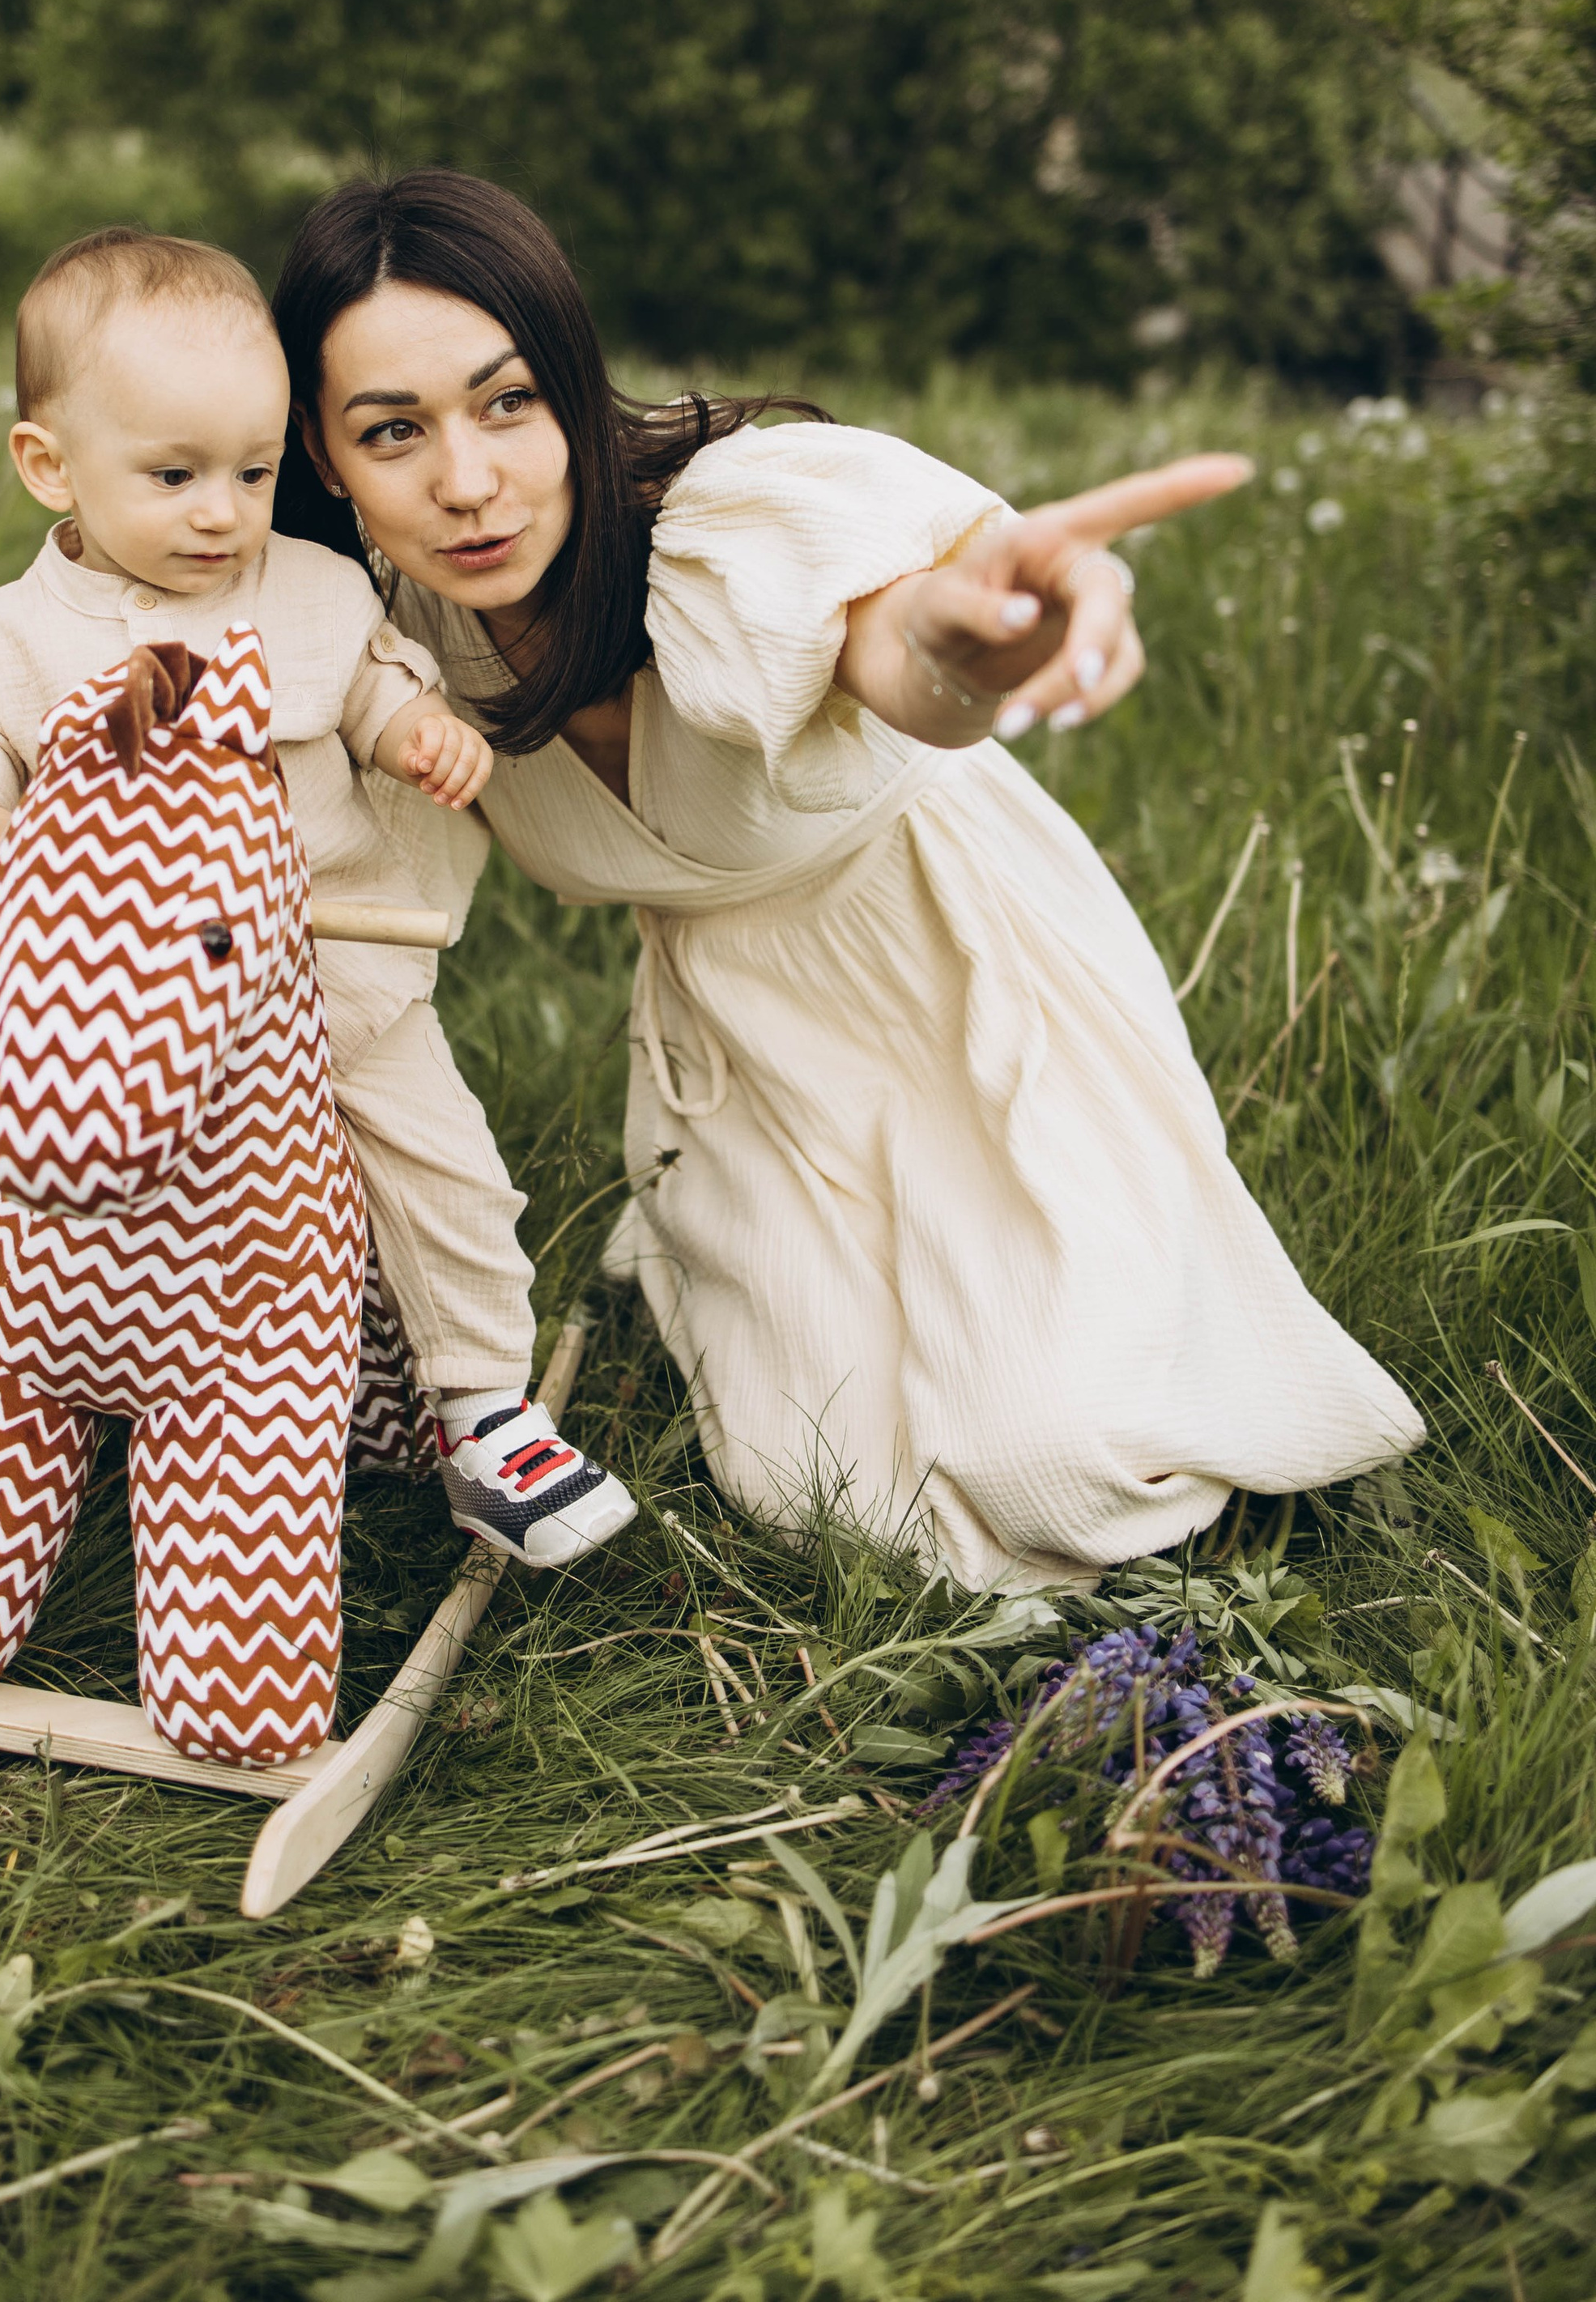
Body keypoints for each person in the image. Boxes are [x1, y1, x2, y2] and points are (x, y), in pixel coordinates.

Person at [265, 168, 1424, 1592]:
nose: (466, 481)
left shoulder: (714, 527)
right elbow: (242, 866)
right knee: (832, 1489)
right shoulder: (374, 647)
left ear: (571, 384)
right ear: (324, 456)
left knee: (1063, 1457)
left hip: (952, 972)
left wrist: (970, 641)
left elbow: (892, 646)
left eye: (508, 402)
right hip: (742, 1050)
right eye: (394, 430)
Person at [0, 228, 636, 1568]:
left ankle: (481, 1407)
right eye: (174, 476)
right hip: (117, 1012)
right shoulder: (14, 632)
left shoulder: (314, 590)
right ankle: (53, 1365)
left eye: (251, 472)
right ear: (48, 464)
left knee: (443, 1171)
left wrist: (417, 736)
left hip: (331, 984)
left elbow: (374, 686)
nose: (222, 513)